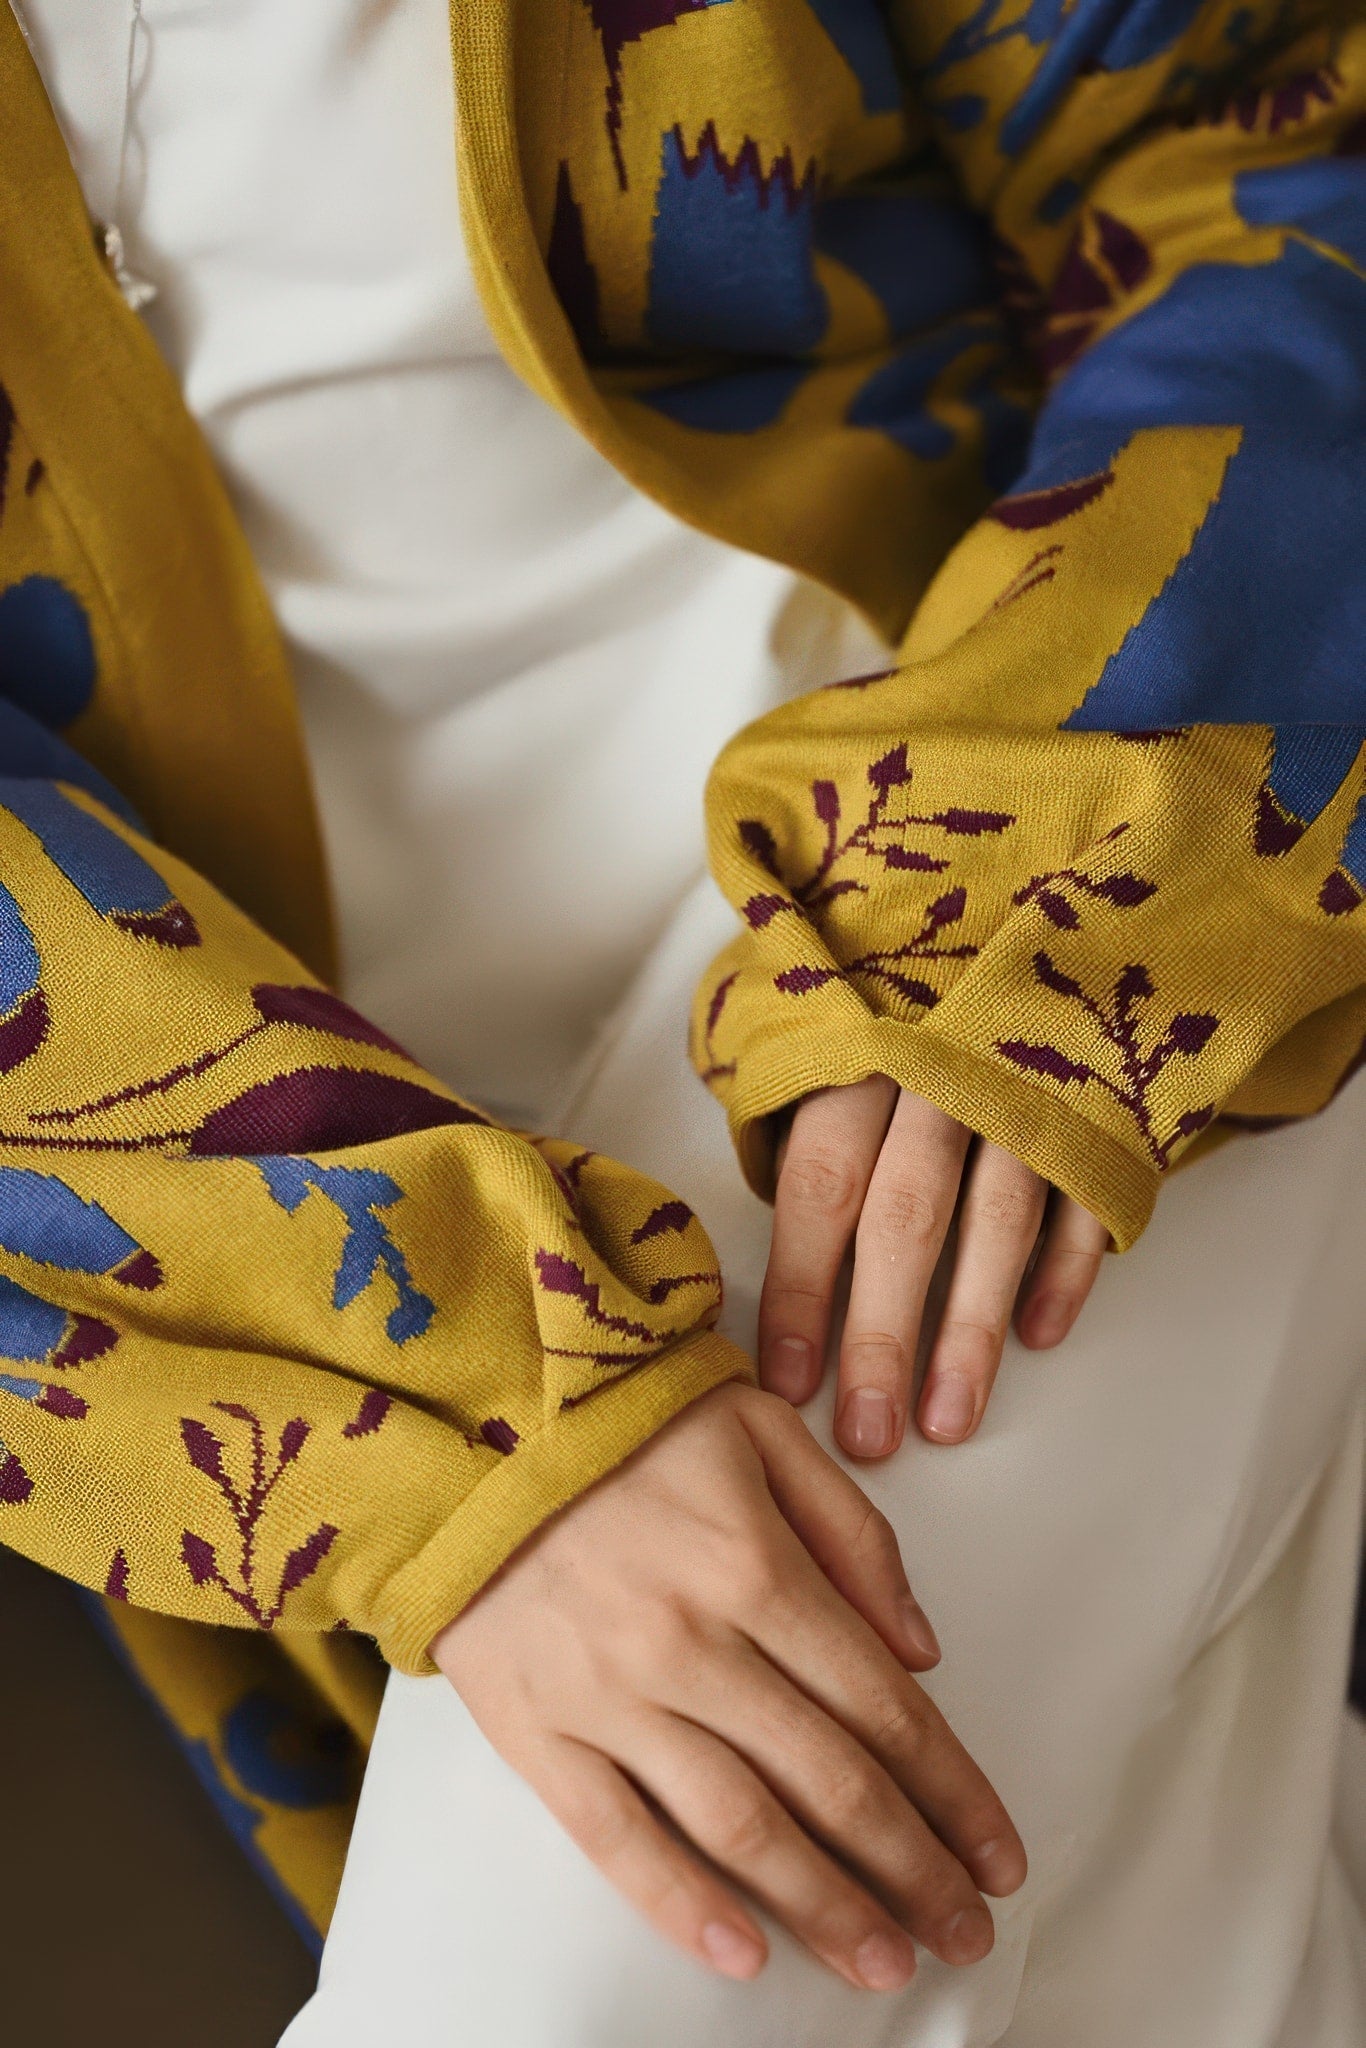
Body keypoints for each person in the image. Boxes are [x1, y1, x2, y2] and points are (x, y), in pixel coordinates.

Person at [0, 0, 1363, 2040]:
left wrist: (1025, 902)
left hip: (1023, 943)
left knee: (552, 2000)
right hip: (280, 1230)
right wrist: (455, 1393)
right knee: (1163, 1972)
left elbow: (1264, 153)